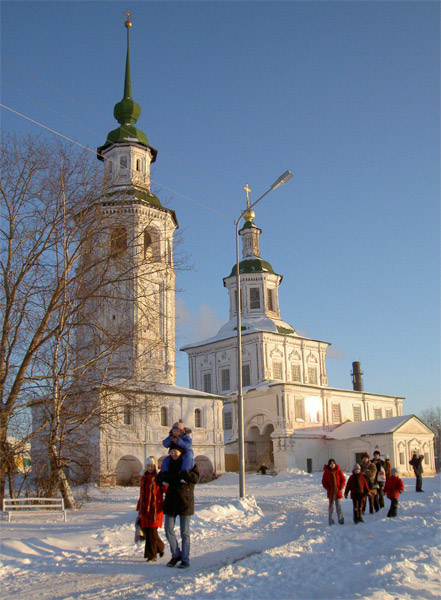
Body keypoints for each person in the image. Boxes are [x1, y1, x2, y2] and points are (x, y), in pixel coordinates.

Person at [156, 444, 200, 569]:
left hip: (185, 501)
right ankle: (176, 554)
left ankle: (185, 559)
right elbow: (159, 479)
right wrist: (163, 478)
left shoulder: (189, 463)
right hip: (170, 501)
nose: (174, 454)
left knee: (184, 532)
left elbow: (195, 478)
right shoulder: (168, 464)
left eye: (176, 452)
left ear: (181, 452)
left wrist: (186, 475)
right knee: (168, 530)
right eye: (172, 452)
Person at [136, 457, 165, 562]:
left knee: (152, 531)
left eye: (151, 466)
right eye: (148, 466)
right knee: (147, 531)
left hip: (155, 508)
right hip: (145, 508)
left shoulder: (159, 477)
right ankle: (160, 547)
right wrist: (139, 507)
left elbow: (166, 489)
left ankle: (151, 555)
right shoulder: (144, 477)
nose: (149, 468)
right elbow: (142, 493)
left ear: (155, 466)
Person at [321, 458, 345, 525]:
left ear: (335, 464)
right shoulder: (326, 472)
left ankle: (341, 520)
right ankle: (331, 521)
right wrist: (328, 488)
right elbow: (324, 482)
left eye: (333, 463)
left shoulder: (338, 471)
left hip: (337, 492)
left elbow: (343, 480)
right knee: (331, 506)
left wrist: (340, 487)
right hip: (331, 492)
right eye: (331, 464)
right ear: (329, 465)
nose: (332, 465)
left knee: (338, 506)